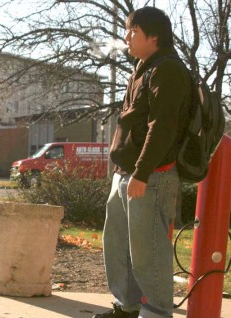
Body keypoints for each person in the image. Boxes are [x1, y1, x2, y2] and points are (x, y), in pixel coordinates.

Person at [94, 7, 191, 318]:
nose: (126, 37)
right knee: (118, 246)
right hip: (127, 175)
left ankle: (158, 313)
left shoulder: (169, 70)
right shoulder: (142, 68)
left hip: (151, 177)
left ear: (154, 36)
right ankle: (127, 307)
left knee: (148, 251)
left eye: (132, 32)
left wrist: (142, 173)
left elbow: (163, 126)